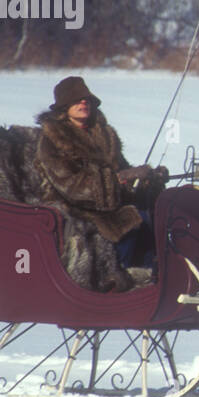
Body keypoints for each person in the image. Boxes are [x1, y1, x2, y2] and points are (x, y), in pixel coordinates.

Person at [35, 76, 167, 286]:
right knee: (130, 221)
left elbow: (122, 171)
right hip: (74, 208)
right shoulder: (52, 140)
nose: (83, 103)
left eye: (86, 100)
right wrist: (119, 179)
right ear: (63, 108)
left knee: (153, 216)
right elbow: (71, 186)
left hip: (109, 203)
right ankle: (118, 281)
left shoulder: (105, 135)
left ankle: (151, 276)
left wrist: (147, 179)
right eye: (77, 100)